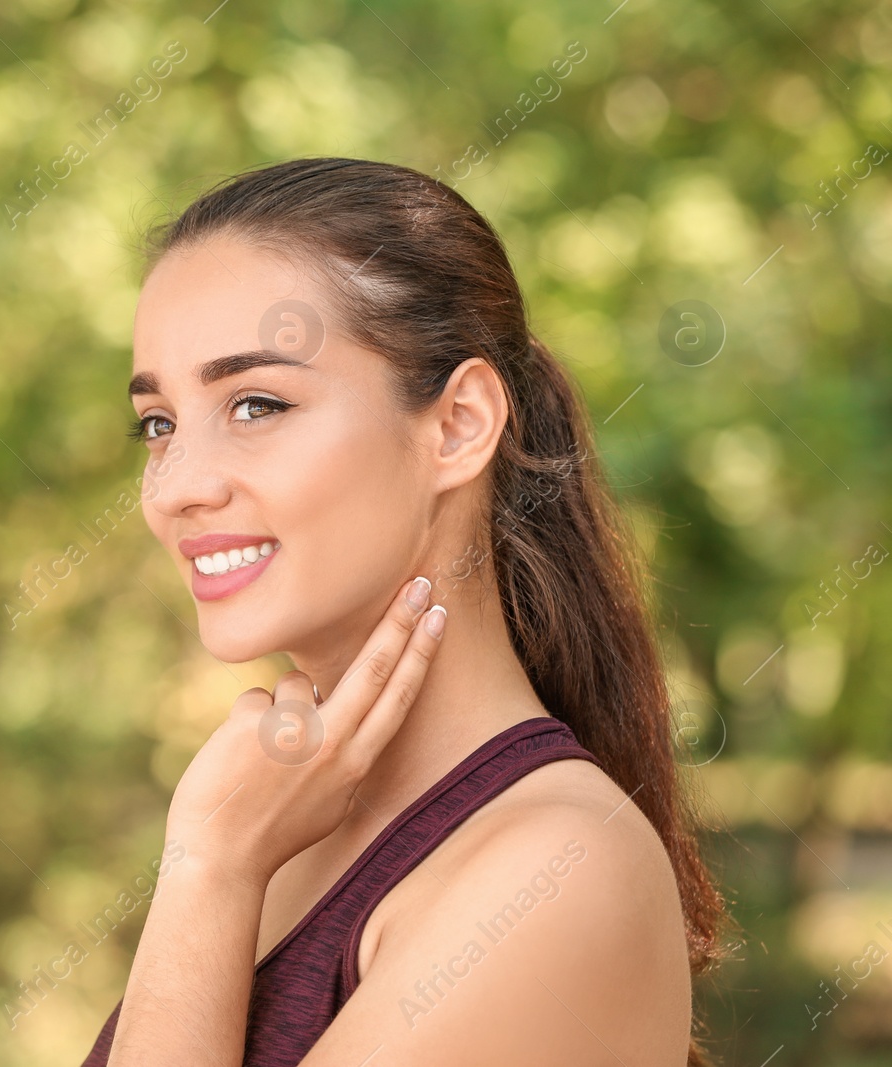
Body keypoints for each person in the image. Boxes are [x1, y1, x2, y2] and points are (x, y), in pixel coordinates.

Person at [81, 158, 727, 1066]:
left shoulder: (557, 868)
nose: (175, 488)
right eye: (160, 423)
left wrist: (208, 872)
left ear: (458, 423)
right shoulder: (279, 820)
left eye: (256, 403)